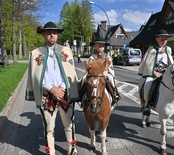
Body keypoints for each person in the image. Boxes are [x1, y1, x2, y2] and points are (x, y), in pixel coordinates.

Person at [25, 21, 80, 155]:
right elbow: (36, 76)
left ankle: (71, 148)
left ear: (57, 35)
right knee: (49, 127)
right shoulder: (35, 54)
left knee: (69, 124)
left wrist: (61, 88)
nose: (52, 35)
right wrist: (51, 88)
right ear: (43, 34)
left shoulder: (66, 51)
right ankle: (51, 152)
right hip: (46, 95)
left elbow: (69, 72)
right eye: (49, 33)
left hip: (64, 92)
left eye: (54, 33)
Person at [138, 29, 174, 115]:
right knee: (147, 85)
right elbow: (147, 63)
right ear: (157, 39)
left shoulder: (168, 49)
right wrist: (154, 72)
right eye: (162, 39)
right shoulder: (151, 49)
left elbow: (170, 62)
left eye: (165, 39)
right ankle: (146, 106)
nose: (164, 41)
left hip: (166, 74)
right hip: (153, 74)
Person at [80, 37, 121, 110]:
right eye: (99, 45)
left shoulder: (107, 56)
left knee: (111, 79)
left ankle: (115, 94)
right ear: (95, 46)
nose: (101, 47)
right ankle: (81, 95)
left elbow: (109, 65)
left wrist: (105, 71)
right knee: (83, 79)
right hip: (93, 74)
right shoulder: (92, 57)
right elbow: (89, 66)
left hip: (104, 73)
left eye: (103, 45)